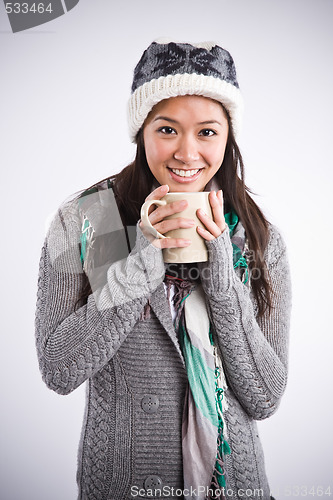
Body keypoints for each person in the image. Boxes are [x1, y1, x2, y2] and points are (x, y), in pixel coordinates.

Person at [35, 39, 291, 500]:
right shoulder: (90, 219)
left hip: (234, 488)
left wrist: (219, 272)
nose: (187, 153)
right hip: (124, 484)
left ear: (228, 136)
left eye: (207, 132)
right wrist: (143, 260)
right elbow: (58, 368)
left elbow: (265, 396)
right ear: (141, 132)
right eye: (167, 130)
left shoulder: (256, 237)